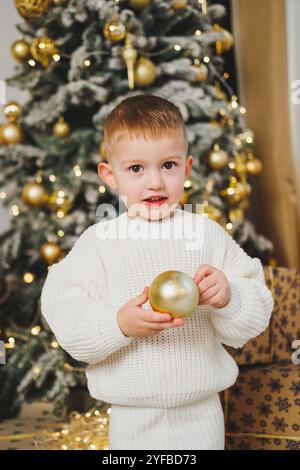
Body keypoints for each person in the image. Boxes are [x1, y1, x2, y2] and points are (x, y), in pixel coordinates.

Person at [41, 94, 274, 450]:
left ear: (187, 167)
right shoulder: (101, 241)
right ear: (110, 175)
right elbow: (64, 308)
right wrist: (118, 324)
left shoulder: (205, 234)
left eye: (168, 165)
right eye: (136, 168)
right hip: (132, 418)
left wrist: (229, 297)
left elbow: (256, 305)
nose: (155, 182)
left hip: (201, 413)